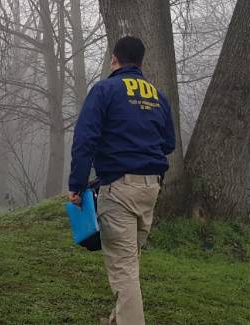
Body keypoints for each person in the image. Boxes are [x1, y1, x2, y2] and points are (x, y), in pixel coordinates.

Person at [68, 36, 176, 325]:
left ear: (114, 59)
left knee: (124, 268)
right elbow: (168, 144)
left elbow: (85, 140)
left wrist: (76, 185)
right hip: (150, 188)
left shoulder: (105, 90)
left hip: (118, 189)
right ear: (140, 62)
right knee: (129, 260)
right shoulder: (157, 96)